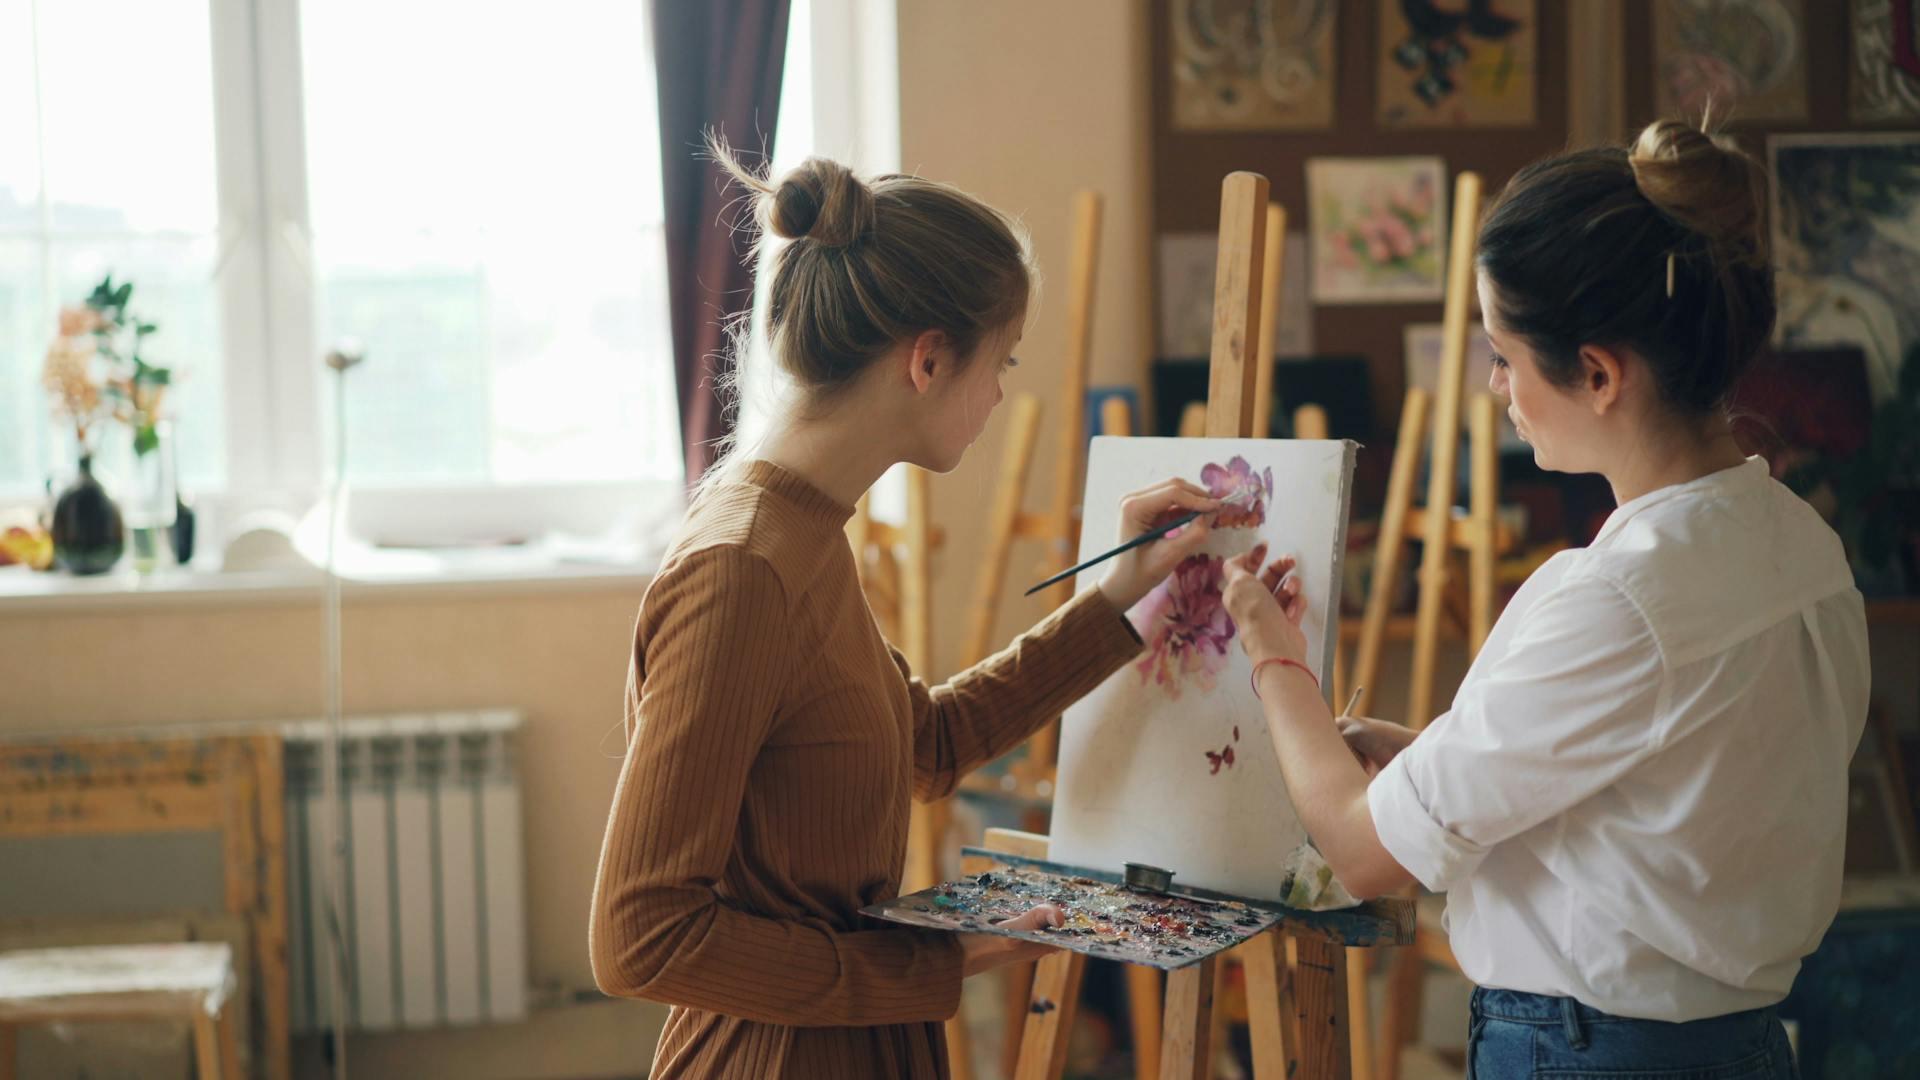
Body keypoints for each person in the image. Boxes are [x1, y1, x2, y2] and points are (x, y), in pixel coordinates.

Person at [1221, 118, 1870, 1076]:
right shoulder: (1800, 545)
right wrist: (1422, 759)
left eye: (1503, 354)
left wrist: (1273, 658)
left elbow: (1361, 857)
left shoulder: (1617, 597)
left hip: (1593, 1052)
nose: (1494, 386)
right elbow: (1651, 797)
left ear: (1599, 374)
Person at [589, 145, 1222, 1078]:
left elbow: (923, 743)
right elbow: (638, 937)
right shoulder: (742, 570)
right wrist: (930, 962)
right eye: (999, 363)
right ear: (928, 360)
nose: (1001, 394)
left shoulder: (808, 532)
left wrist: (1119, 597)